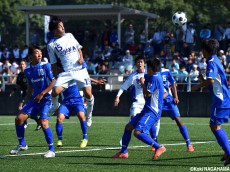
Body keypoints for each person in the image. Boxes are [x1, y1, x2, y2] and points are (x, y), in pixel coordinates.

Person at [112, 58, 166, 160]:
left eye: (146, 67)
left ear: (150, 68)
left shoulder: (155, 78)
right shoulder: (153, 75)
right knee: (128, 127)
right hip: (146, 109)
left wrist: (142, 83)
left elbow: (148, 94)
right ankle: (123, 152)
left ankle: (159, 147)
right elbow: (142, 77)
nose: (145, 68)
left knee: (137, 132)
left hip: (152, 111)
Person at [9, 45, 56, 158]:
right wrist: (25, 101)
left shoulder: (46, 65)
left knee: (44, 123)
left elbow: (53, 82)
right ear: (30, 56)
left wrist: (42, 93)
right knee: (18, 119)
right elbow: (30, 87)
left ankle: (51, 150)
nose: (39, 54)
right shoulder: (28, 70)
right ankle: (22, 144)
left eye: (40, 52)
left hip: (46, 99)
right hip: (34, 100)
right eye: (36, 52)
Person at [47, 17, 94, 127]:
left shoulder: (70, 35)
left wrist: (81, 57)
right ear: (54, 30)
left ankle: (89, 114)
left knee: (88, 94)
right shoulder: (51, 45)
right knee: (55, 92)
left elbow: (78, 48)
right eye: (60, 26)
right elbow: (53, 63)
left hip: (80, 70)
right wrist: (55, 76)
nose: (63, 28)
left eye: (63, 25)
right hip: (66, 72)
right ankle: (54, 106)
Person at [191, 39, 230, 166]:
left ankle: (229, 151)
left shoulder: (212, 62)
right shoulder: (215, 60)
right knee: (214, 125)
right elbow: (214, 81)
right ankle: (227, 151)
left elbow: (211, 81)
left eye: (202, 49)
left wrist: (198, 86)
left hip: (221, 100)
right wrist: (204, 79)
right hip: (223, 98)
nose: (201, 52)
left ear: (205, 51)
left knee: (214, 126)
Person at [150, 62, 194, 152]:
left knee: (178, 119)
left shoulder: (166, 71)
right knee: (153, 121)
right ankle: (155, 143)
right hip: (157, 100)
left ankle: (189, 144)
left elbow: (173, 83)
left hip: (168, 99)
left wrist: (176, 96)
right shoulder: (151, 74)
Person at [9, 60, 41, 130]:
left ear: (25, 65)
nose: (21, 65)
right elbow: (18, 85)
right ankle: (38, 122)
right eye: (20, 64)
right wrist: (13, 91)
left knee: (22, 108)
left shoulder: (29, 72)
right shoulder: (20, 74)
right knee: (28, 111)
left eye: (23, 64)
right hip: (24, 94)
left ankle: (26, 123)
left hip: (30, 94)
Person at [56, 81, 88, 148]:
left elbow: (85, 77)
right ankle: (59, 140)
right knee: (59, 118)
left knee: (81, 116)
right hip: (66, 103)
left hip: (77, 101)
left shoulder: (75, 76)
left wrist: (96, 81)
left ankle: (85, 138)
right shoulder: (61, 79)